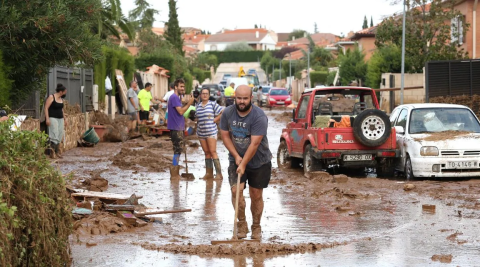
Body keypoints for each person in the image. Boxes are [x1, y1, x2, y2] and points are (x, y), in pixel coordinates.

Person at [220, 85, 272, 240]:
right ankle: (241, 224)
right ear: (234, 97)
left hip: (259, 160)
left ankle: (256, 227)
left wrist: (243, 164)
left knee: (256, 195)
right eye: (239, 98)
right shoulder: (228, 113)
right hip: (236, 158)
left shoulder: (259, 116)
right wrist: (236, 157)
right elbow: (225, 136)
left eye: (245, 98)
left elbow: (254, 144)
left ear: (251, 98)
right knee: (236, 191)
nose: (241, 102)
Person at [167, 78, 195, 180]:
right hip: (175, 128)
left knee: (178, 150)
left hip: (178, 127)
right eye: (181, 87)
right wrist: (189, 103)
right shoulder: (174, 97)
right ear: (176, 87)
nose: (183, 88)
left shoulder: (177, 98)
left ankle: (175, 173)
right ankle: (174, 175)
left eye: (183, 86)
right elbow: (180, 112)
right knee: (177, 150)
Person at [196, 88, 224, 180]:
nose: (204, 95)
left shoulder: (212, 104)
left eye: (206, 94)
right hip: (201, 132)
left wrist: (215, 120)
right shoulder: (198, 106)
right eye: (203, 93)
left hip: (211, 131)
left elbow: (222, 111)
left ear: (208, 95)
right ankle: (209, 174)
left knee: (212, 152)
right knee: (207, 153)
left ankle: (219, 174)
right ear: (200, 95)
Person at [44, 83, 68, 159]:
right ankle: (52, 152)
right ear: (61, 92)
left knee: (60, 134)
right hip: (52, 117)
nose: (65, 94)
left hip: (60, 118)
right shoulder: (52, 97)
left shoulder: (61, 99)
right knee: (54, 134)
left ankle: (57, 151)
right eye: (64, 92)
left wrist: (65, 118)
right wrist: (47, 118)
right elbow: (46, 108)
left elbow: (62, 109)